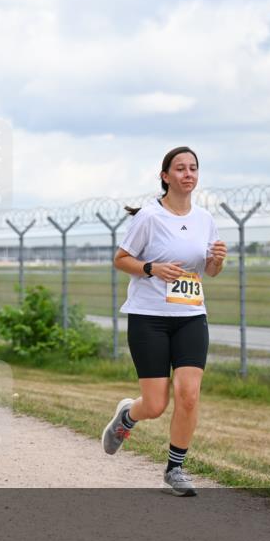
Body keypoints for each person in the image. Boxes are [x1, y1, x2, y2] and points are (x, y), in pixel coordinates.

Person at [101, 146, 228, 497]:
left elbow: (210, 272)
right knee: (155, 405)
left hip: (190, 317)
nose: (188, 174)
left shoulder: (205, 219)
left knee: (188, 395)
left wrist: (217, 260)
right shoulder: (149, 217)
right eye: (180, 168)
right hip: (149, 318)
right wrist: (151, 268)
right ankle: (128, 416)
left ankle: (175, 469)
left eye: (193, 169)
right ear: (165, 176)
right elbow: (121, 259)